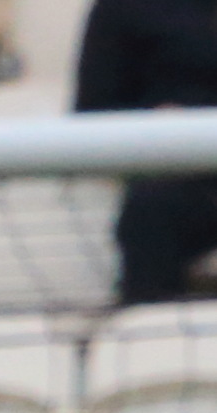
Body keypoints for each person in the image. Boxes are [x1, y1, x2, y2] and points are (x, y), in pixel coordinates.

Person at [74, 0, 217, 303]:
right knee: (151, 212)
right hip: (173, 179)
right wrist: (155, 123)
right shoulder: (123, 9)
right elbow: (92, 114)